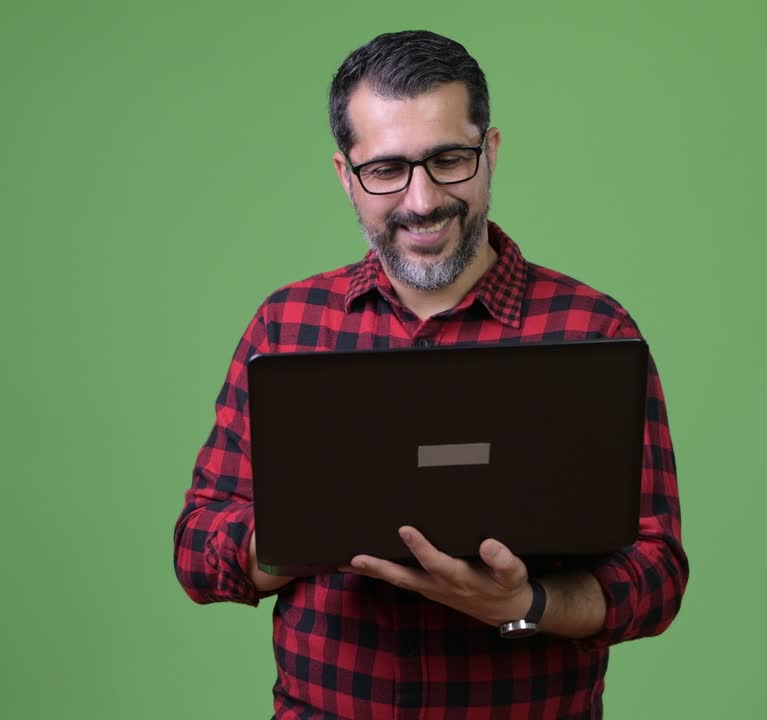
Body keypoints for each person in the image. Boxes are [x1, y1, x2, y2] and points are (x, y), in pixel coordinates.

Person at [173, 30, 689, 719]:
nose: (421, 201)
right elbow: (197, 550)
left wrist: (526, 603)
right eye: (386, 170)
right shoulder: (287, 325)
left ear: (490, 153)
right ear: (344, 176)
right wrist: (303, 532)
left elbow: (656, 572)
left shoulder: (592, 329)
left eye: (448, 159)